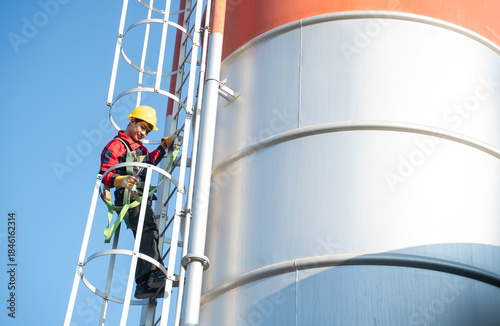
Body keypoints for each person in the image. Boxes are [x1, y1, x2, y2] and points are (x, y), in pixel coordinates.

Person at [99, 105, 173, 299]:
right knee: (148, 229)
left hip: (140, 196)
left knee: (145, 233)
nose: (143, 133)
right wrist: (120, 180)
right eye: (142, 127)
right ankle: (155, 272)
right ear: (131, 121)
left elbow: (147, 162)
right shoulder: (117, 145)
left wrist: (163, 147)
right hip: (128, 196)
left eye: (147, 131)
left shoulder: (139, 149)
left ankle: (144, 284)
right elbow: (104, 173)